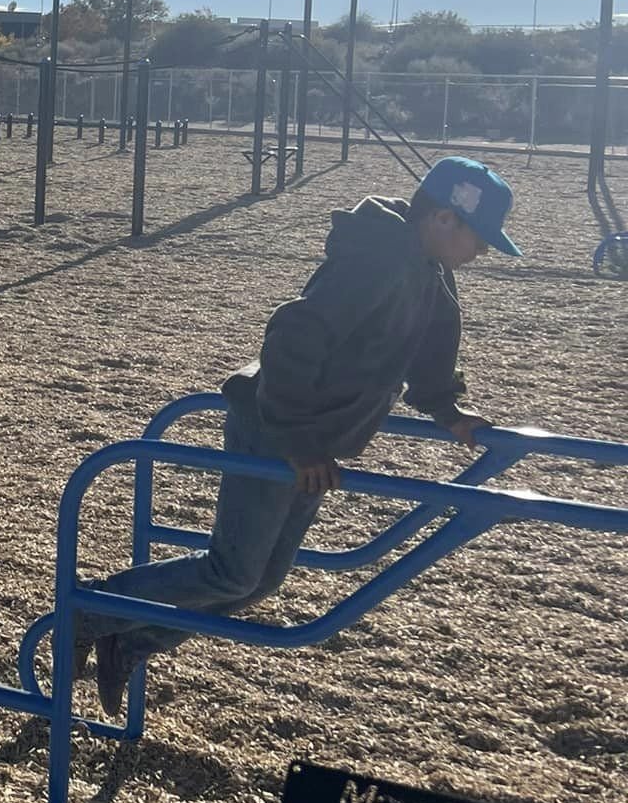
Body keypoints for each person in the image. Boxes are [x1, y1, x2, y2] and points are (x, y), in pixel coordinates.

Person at [76, 155, 521, 717]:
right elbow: (292, 334)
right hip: (276, 428)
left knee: (258, 582)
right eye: (480, 238)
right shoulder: (378, 260)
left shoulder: (430, 273)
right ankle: (88, 611)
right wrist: (299, 441)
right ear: (445, 219)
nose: (481, 252)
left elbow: (431, 351)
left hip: (315, 440)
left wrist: (446, 410)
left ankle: (131, 643)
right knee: (231, 570)